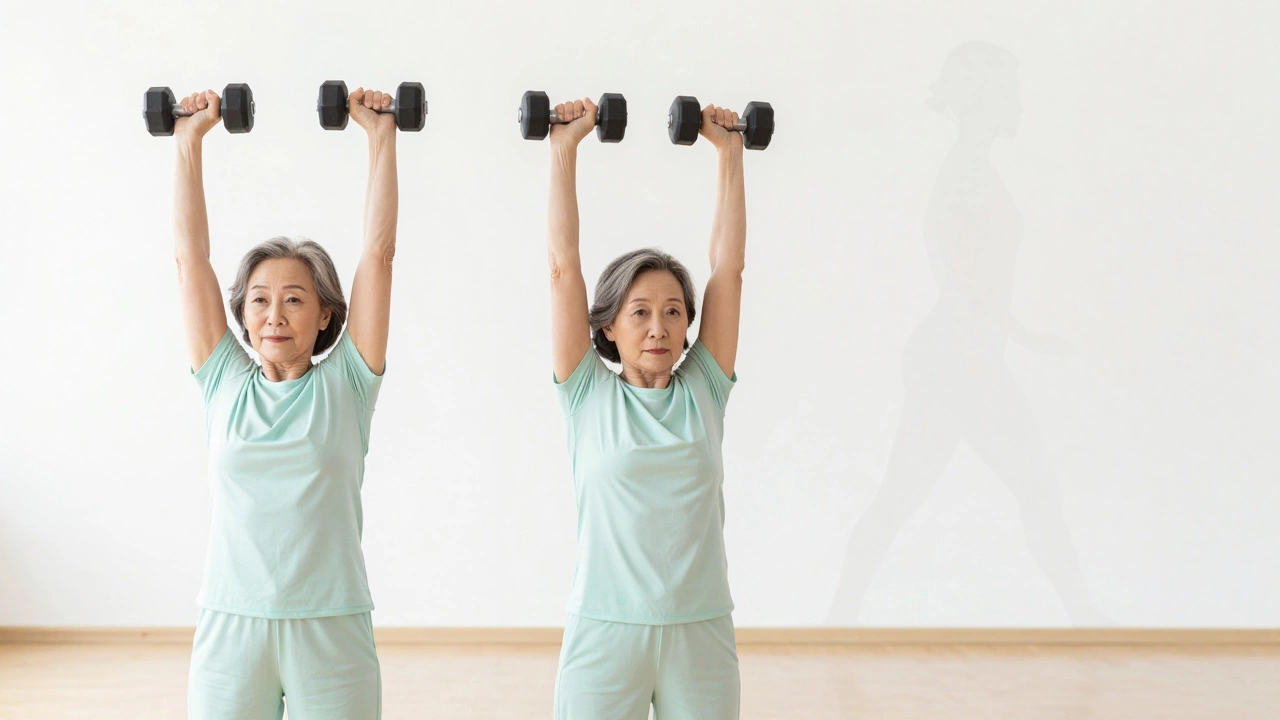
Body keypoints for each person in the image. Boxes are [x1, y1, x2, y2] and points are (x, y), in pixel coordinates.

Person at [171, 86, 400, 719]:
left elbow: (378, 257)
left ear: (326, 313)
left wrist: (382, 139)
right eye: (260, 299)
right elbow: (191, 261)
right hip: (230, 625)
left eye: (295, 298)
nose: (275, 314)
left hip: (329, 625)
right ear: (240, 314)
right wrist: (188, 141)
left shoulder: (348, 383)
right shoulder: (223, 382)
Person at [545, 96, 748, 720]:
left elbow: (729, 271)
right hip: (606, 631)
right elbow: (562, 269)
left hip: (700, 629)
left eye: (673, 311)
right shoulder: (586, 391)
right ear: (607, 329)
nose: (659, 327)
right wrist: (563, 148)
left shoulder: (704, 391)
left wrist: (731, 153)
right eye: (640, 312)